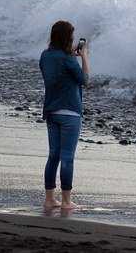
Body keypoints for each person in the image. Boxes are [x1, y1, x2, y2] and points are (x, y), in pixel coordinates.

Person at [39, 20, 90, 210]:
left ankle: (49, 199)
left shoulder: (45, 56)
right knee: (67, 157)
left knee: (53, 155)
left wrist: (71, 55)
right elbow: (84, 79)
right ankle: (67, 201)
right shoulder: (68, 59)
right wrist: (83, 56)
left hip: (51, 110)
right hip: (70, 111)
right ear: (67, 38)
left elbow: (58, 74)